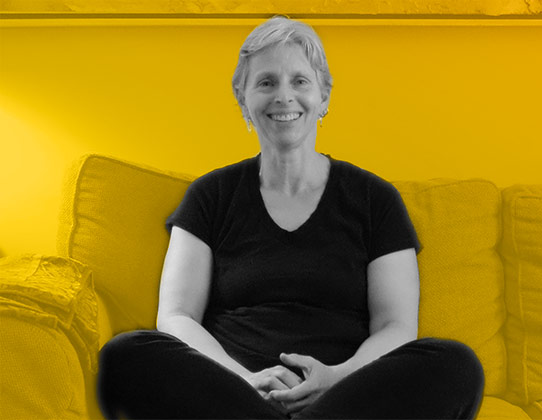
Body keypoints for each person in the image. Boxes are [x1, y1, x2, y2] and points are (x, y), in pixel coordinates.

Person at [97, 16, 484, 419]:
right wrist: (247, 381)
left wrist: (335, 379)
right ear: (243, 99)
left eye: (300, 81)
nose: (284, 96)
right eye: (266, 82)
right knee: (126, 355)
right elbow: (177, 316)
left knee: (456, 365)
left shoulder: (375, 199)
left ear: (324, 96)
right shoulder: (210, 196)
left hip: (346, 395)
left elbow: (396, 326)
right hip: (234, 394)